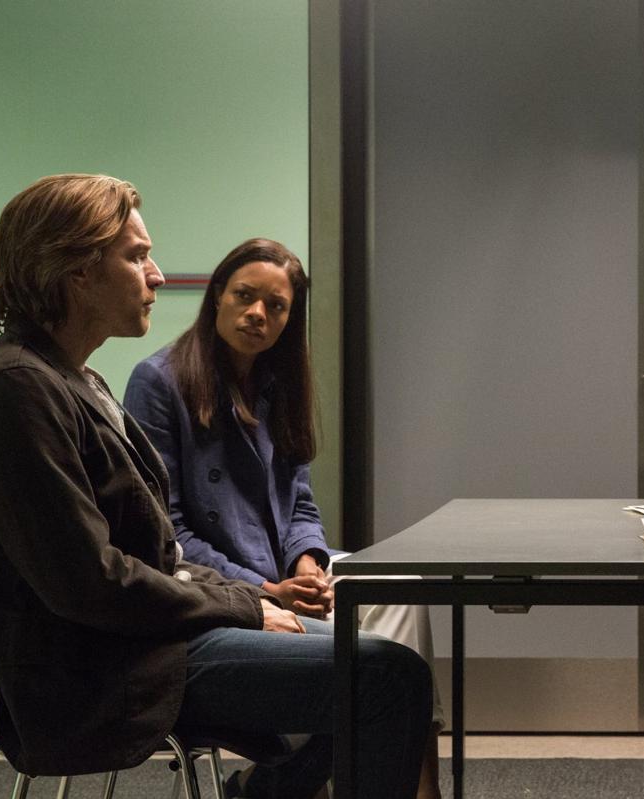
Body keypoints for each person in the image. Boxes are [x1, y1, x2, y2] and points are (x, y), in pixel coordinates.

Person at [0, 174, 432, 799]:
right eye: (137, 257)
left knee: (379, 656)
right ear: (77, 270)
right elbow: (92, 582)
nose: (156, 276)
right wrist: (246, 604)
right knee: (388, 676)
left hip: (148, 637)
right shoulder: (15, 390)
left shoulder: (69, 380)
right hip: (106, 668)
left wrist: (250, 599)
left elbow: (159, 554)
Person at [123, 238, 445, 799]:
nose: (258, 314)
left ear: (289, 319)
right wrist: (267, 590)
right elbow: (168, 532)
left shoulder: (279, 382)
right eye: (245, 296)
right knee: (371, 669)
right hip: (220, 585)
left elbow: (299, 501)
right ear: (218, 296)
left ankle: (403, 783)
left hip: (284, 570)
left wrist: (309, 564)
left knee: (402, 589)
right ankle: (289, 782)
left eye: (276, 306)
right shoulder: (159, 381)